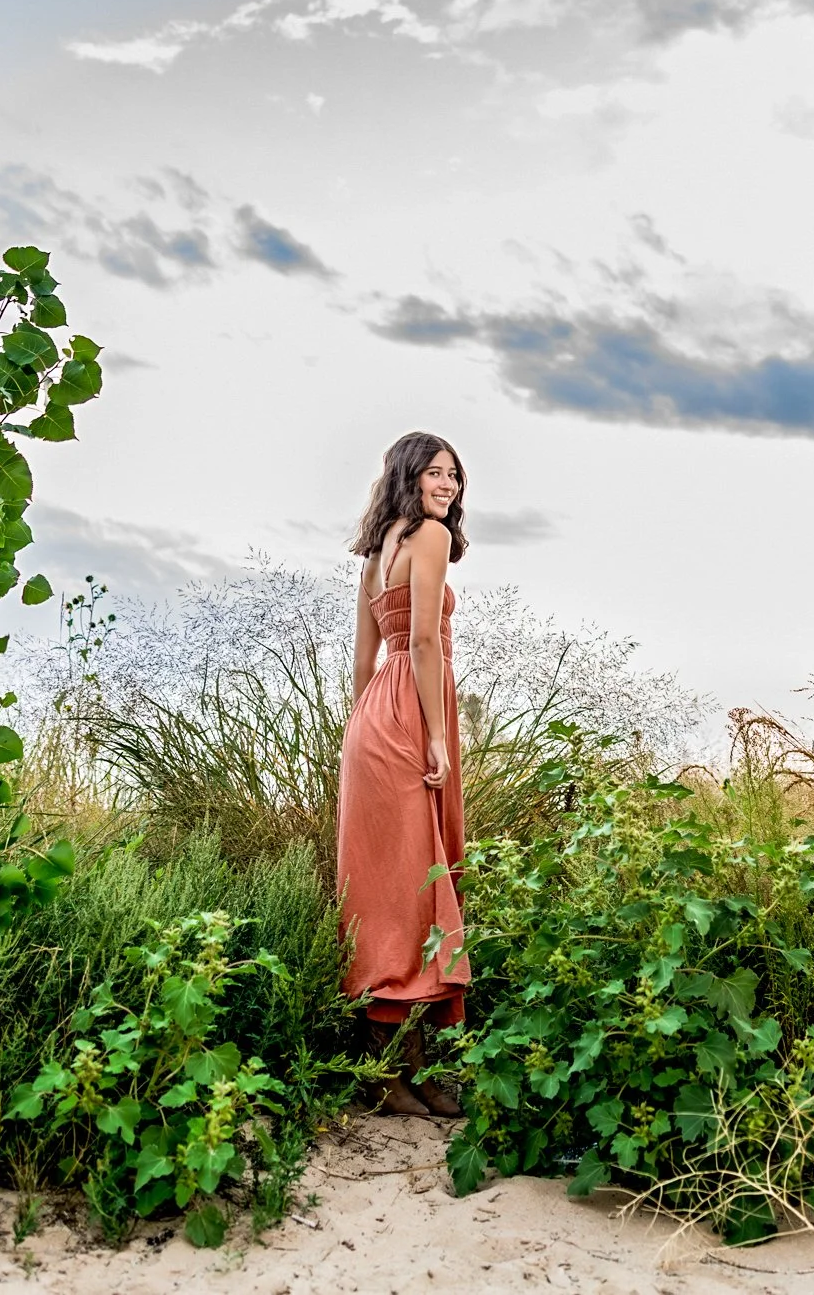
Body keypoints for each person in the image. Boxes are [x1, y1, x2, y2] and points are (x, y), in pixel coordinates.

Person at [336, 432, 470, 1116]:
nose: (447, 485)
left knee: (388, 890)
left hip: (370, 721)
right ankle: (395, 1073)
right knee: (414, 889)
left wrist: (360, 736)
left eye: (454, 475)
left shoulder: (376, 551)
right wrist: (436, 736)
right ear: (409, 476)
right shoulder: (431, 537)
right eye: (435, 473)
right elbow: (420, 641)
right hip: (412, 714)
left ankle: (403, 1070)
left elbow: (363, 664)